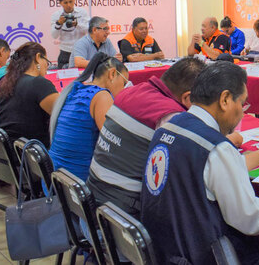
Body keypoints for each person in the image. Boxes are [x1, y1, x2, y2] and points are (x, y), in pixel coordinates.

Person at [140, 62, 259, 264]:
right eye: (242, 103)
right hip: (202, 254)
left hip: (163, 250)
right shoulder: (217, 148)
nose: (243, 112)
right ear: (225, 99)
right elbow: (252, 220)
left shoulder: (166, 127)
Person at [86, 57, 206, 217]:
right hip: (123, 222)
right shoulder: (170, 116)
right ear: (188, 98)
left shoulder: (128, 92)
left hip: (93, 204)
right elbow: (196, 165)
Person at [48, 53, 129, 181]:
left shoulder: (76, 89)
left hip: (56, 179)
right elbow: (113, 142)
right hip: (77, 182)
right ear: (112, 74)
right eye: (124, 83)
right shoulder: (102, 96)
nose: (124, 89)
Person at [0, 42, 59, 146]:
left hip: (9, 152)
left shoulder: (3, 83)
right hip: (33, 153)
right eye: (47, 63)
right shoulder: (39, 83)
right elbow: (66, 114)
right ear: (38, 57)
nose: (47, 69)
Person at [50, 0, 90, 68]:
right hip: (65, 52)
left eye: (70, 2)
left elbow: (89, 30)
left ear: (74, 0)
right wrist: (59, 23)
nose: (68, 5)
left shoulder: (82, 12)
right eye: (65, 2)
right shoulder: (56, 15)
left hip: (81, 51)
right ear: (60, 3)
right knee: (64, 78)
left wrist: (77, 24)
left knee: (84, 77)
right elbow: (54, 36)